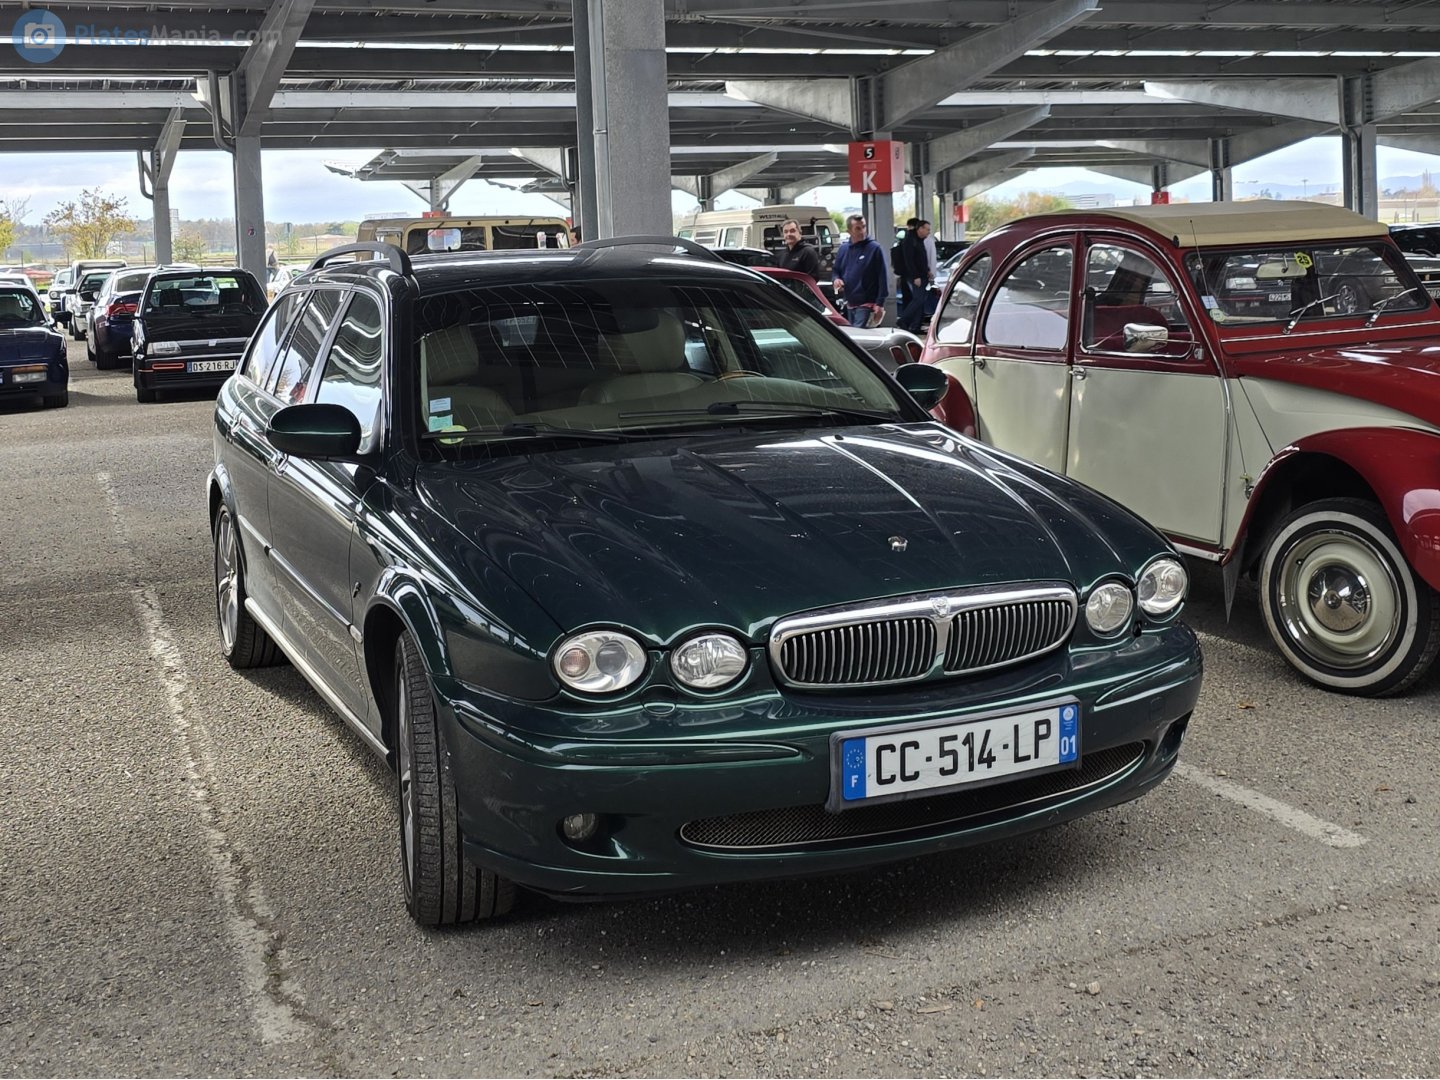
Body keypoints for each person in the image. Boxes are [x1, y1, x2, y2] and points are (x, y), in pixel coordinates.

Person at [832, 214, 888, 327]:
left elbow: (882, 277)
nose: (862, 231)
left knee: (859, 336)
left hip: (867, 304)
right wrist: (836, 279)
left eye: (864, 227)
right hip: (849, 302)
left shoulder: (874, 248)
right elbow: (836, 270)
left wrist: (880, 303)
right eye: (858, 228)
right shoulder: (843, 249)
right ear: (849, 231)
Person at [895, 219, 932, 333]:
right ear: (920, 229)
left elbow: (921, 258)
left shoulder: (919, 240)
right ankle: (903, 320)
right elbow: (909, 260)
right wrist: (915, 276)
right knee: (918, 299)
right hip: (916, 276)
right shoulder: (910, 241)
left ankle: (916, 326)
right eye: (927, 230)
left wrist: (927, 270)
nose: (929, 232)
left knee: (921, 300)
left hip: (922, 274)